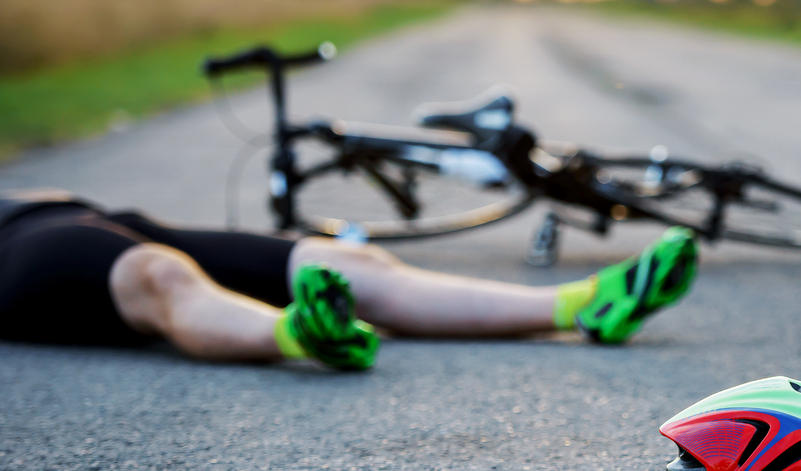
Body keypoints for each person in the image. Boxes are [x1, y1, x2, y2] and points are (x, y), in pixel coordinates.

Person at [0, 189, 699, 370]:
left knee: (348, 263)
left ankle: (586, 304)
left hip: (93, 215)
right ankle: (299, 334)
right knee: (159, 279)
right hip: (23, 247)